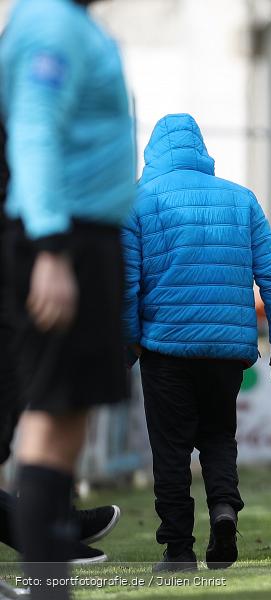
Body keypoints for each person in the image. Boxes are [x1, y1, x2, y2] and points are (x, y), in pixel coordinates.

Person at [122, 113, 271, 572]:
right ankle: (224, 510)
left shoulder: (138, 203)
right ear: (200, 148)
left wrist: (126, 343)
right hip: (226, 350)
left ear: (153, 151)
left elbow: (127, 282)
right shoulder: (241, 200)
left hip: (165, 346)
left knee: (171, 450)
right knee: (219, 436)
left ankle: (178, 549)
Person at [0, 0, 135, 597]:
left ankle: (51, 585)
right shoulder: (52, 23)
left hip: (87, 237)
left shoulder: (76, 25)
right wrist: (51, 246)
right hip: (62, 238)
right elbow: (33, 125)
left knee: (66, 422)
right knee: (49, 419)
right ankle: (48, 587)